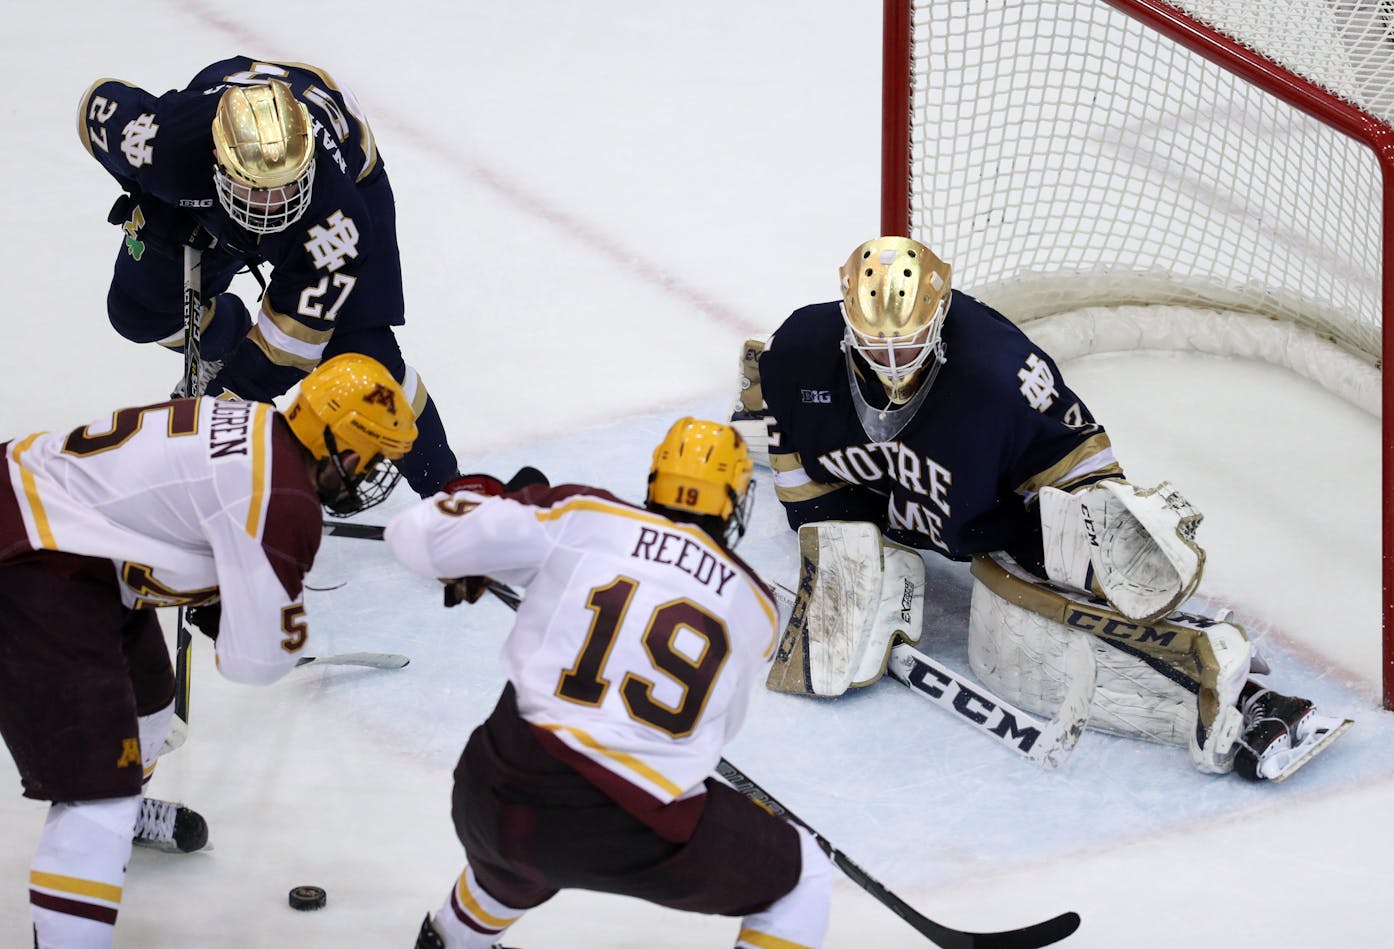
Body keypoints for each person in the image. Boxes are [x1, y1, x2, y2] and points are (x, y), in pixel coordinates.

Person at [730, 236, 1348, 782]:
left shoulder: (1000, 371)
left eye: (909, 344)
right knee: (795, 467)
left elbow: (1077, 454)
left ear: (940, 318)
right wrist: (839, 540)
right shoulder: (801, 353)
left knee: (1015, 655)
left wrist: (1096, 529)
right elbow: (797, 459)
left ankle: (1230, 692)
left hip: (992, 513)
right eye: (875, 346)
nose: (892, 362)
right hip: (893, 501)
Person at [0, 353, 415, 947]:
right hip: (33, 557)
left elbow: (188, 513)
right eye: (374, 456)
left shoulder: (260, 425)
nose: (374, 473)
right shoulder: (284, 502)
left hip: (78, 543)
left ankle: (124, 815)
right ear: (343, 450)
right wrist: (247, 607)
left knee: (149, 708)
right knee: (95, 793)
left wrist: (226, 589)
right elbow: (253, 664)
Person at [385, 418, 833, 949]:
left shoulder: (585, 515)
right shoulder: (758, 607)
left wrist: (482, 503)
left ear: (654, 481)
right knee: (801, 875)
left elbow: (411, 536)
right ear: (735, 501)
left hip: (491, 790)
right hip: (617, 825)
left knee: (515, 857)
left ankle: (452, 940)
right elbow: (713, 735)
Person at [76, 57, 460, 499]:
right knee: (139, 312)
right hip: (206, 186)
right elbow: (97, 105)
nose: (273, 206)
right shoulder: (168, 143)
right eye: (257, 189)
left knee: (363, 358)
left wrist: (225, 402)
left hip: (346, 179)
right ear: (218, 161)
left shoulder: (337, 217)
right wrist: (152, 190)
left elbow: (290, 349)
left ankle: (451, 493)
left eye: (285, 185)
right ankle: (226, 338)